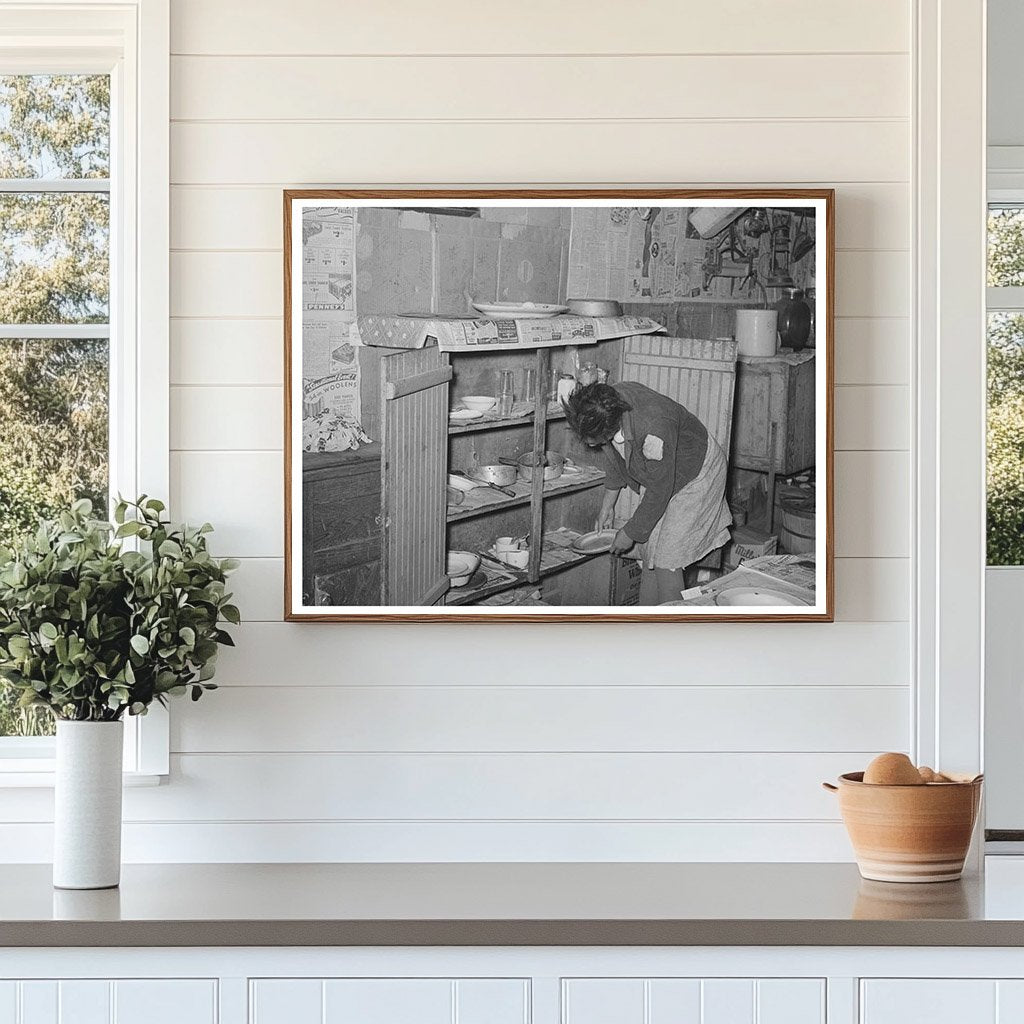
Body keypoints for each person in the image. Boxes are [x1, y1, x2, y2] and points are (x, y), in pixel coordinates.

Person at [563, 381, 732, 605]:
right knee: (651, 551)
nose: (588, 444)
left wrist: (630, 532)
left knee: (668, 559)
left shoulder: (653, 427)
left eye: (594, 440)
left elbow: (659, 490)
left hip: (698, 472)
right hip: (667, 471)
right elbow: (613, 454)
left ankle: (670, 632)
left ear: (610, 426)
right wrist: (608, 504)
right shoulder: (606, 403)